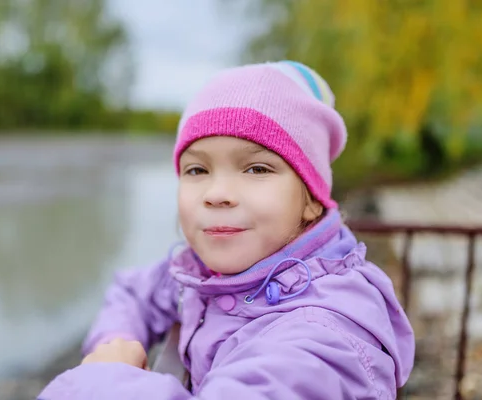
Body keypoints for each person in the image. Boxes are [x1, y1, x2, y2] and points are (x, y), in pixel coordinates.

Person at [37, 60, 415, 399]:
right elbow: (135, 291)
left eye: (256, 169)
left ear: (312, 198)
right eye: (197, 170)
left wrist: (101, 380)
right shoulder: (206, 274)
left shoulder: (322, 336)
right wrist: (116, 341)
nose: (217, 194)